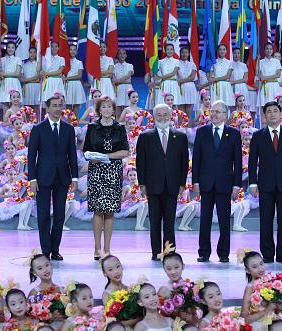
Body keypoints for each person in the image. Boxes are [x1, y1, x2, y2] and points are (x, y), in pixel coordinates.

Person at [248, 101, 282, 264]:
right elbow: (252, 162)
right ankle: (268, 254)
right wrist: (253, 183)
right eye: (269, 111)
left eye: (275, 111)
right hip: (265, 184)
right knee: (266, 220)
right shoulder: (258, 135)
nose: (272, 114)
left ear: (281, 114)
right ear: (264, 116)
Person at [28, 94, 79, 260]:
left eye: (60, 105)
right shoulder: (38, 129)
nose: (58, 109)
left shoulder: (68, 129)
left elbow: (72, 155)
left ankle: (55, 249)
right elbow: (31, 156)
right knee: (43, 216)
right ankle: (45, 250)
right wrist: (32, 179)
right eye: (54, 105)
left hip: (62, 178)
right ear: (48, 108)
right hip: (42, 177)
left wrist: (75, 178)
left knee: (59, 216)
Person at [136, 104, 189, 261]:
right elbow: (141, 162)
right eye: (159, 115)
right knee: (154, 222)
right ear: (154, 117)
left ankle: (170, 252)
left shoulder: (180, 136)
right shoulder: (145, 136)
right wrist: (142, 184)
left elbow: (184, 162)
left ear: (170, 116)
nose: (162, 117)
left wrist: (182, 183)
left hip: (172, 186)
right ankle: (155, 253)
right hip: (153, 186)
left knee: (169, 222)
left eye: (165, 114)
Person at [192, 100, 242, 263]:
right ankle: (204, 252)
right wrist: (196, 182)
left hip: (225, 183)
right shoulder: (202, 132)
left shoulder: (234, 133)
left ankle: (223, 253)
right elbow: (197, 159)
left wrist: (236, 185)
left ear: (225, 115)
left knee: (224, 220)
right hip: (205, 183)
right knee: (205, 220)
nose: (213, 114)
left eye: (217, 112)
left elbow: (238, 161)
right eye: (212, 111)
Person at [83, 96, 129, 259]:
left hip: (113, 172)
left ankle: (107, 249)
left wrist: (105, 156)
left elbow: (125, 152)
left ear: (113, 109)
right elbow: (86, 151)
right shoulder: (92, 128)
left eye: (110, 107)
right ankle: (97, 248)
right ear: (99, 110)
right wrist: (93, 157)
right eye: (104, 107)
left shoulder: (119, 128)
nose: (107, 109)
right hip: (96, 171)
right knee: (97, 210)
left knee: (109, 212)